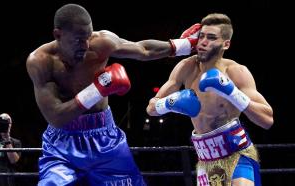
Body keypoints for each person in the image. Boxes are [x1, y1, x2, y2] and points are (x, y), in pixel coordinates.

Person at [26, 3, 200, 186]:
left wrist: (185, 45)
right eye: (78, 40)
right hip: (62, 144)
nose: (85, 45)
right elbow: (55, 117)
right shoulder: (40, 61)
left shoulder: (101, 42)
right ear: (58, 35)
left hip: (105, 138)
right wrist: (97, 90)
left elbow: (143, 50)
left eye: (87, 37)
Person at [146, 13, 274, 186]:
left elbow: (267, 120)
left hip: (237, 155)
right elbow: (151, 108)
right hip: (206, 160)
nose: (203, 42)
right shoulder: (186, 67)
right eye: (202, 36)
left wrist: (231, 92)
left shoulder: (236, 72)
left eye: (211, 38)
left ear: (225, 44)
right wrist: (168, 103)